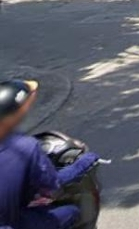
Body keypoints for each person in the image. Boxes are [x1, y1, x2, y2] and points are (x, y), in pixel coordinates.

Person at [0, 80, 99, 229]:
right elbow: (53, 183)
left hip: (13, 214)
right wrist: (84, 162)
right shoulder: (25, 147)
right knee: (72, 212)